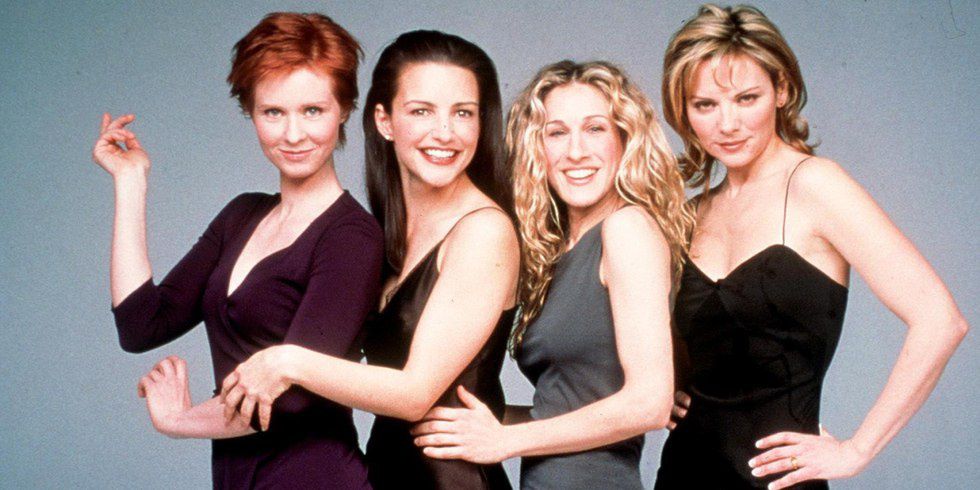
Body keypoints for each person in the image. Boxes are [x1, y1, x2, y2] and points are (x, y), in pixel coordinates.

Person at [656, 5, 969, 489]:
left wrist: (857, 450)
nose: (728, 123)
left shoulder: (817, 185)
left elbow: (941, 320)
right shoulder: (692, 213)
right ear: (684, 111)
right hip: (682, 473)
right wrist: (666, 387)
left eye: (747, 98)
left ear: (781, 90)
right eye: (705, 105)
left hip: (779, 482)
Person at [92, 12, 382, 488]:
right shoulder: (241, 215)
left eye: (313, 110)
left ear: (345, 109)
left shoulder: (352, 237)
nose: (293, 134)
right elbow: (141, 324)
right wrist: (130, 182)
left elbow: (288, 398)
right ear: (250, 112)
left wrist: (179, 421)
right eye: (273, 112)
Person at [218, 30, 519, 489]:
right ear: (384, 121)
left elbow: (415, 394)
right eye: (421, 111)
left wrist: (285, 362)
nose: (445, 132)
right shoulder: (390, 231)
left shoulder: (484, 232)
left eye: (463, 113)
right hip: (385, 476)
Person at [412, 60, 693, 489]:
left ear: (624, 139)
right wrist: (483, 420)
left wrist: (504, 440)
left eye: (595, 129)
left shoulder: (627, 229)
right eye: (556, 133)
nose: (576, 151)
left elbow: (649, 405)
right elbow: (567, 407)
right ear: (536, 149)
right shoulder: (557, 250)